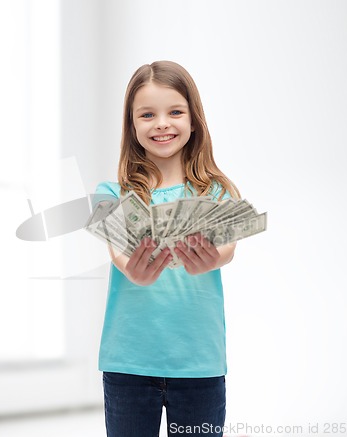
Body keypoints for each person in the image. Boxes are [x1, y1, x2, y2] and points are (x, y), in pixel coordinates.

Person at [94, 60, 241, 437]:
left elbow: (228, 248)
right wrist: (132, 269)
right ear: (132, 126)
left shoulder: (217, 193)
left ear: (194, 121)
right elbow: (118, 253)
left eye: (175, 111)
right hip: (128, 364)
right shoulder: (111, 195)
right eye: (147, 114)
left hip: (199, 366)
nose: (162, 123)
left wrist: (211, 258)